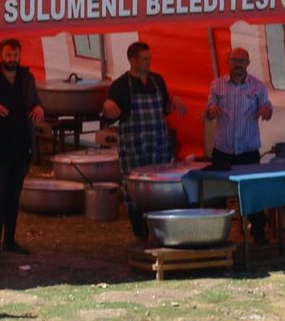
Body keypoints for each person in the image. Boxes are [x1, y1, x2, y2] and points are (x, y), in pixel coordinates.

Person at [103, 41, 188, 238]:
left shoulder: (157, 80)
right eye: (144, 59)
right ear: (132, 60)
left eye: (149, 58)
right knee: (135, 190)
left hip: (158, 144)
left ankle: (160, 232)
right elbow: (109, 115)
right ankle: (140, 234)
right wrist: (107, 104)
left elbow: (165, 109)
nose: (149, 62)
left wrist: (173, 101)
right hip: (134, 147)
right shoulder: (120, 85)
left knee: (159, 189)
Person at [0, 38, 44, 258]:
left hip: (21, 146)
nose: (12, 59)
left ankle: (10, 240)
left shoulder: (27, 78)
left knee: (14, 196)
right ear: (0, 55)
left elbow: (36, 101)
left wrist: (39, 107)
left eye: (15, 55)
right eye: (8, 55)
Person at [205, 47, 274, 244]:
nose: (238, 64)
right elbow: (208, 110)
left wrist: (265, 111)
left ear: (248, 63)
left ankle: (258, 233)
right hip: (223, 149)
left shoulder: (258, 86)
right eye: (234, 60)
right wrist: (212, 110)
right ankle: (215, 235)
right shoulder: (217, 85)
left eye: (242, 61)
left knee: (253, 192)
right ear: (228, 62)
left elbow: (268, 108)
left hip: (248, 149)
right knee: (218, 193)